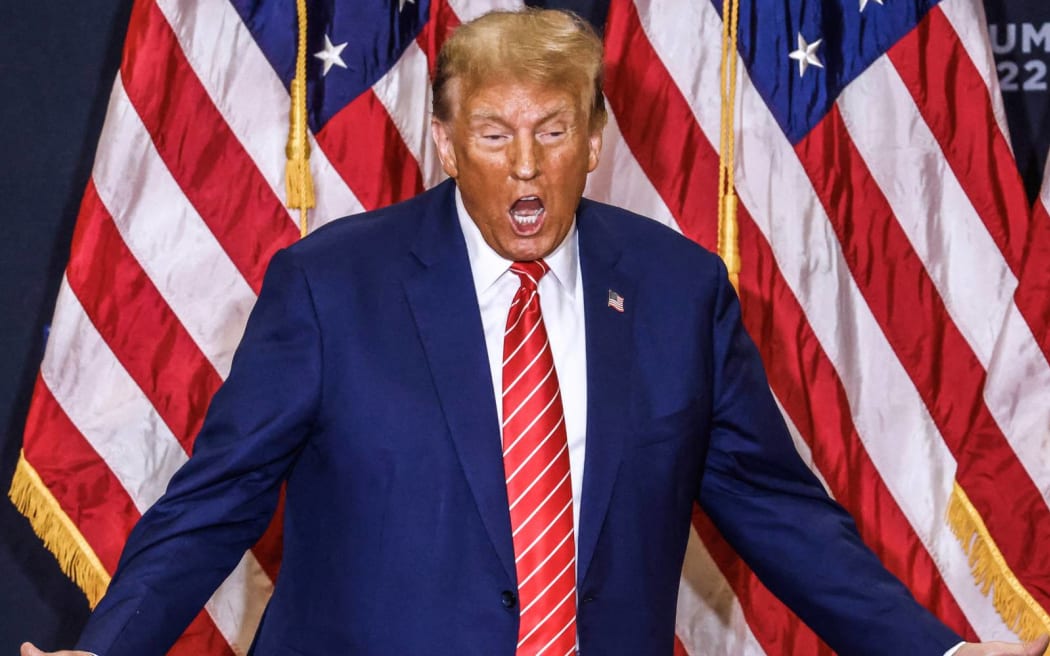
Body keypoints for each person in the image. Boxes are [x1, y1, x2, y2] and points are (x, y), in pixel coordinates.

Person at [21, 8, 1049, 656]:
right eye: (495, 133)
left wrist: (938, 651)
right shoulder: (332, 287)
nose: (525, 166)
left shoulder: (678, 293)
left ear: (595, 139)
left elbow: (782, 515)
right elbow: (216, 499)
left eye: (553, 131)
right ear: (446, 138)